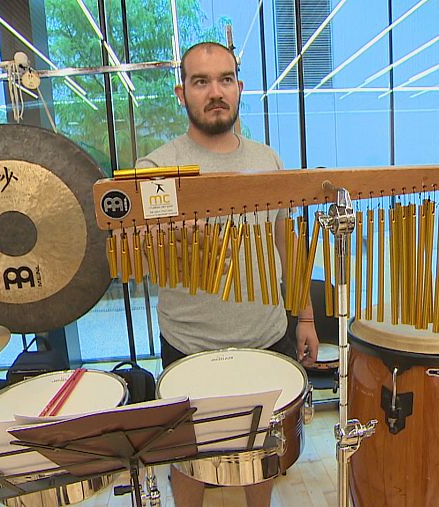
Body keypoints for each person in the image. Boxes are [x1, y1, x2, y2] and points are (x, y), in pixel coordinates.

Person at [135, 41, 320, 507]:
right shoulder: (155, 169)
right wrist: (172, 237)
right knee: (190, 461)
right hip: (190, 342)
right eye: (201, 82)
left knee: (261, 454)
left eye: (224, 80)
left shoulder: (268, 161)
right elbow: (138, 257)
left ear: (239, 87)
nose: (214, 92)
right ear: (182, 93)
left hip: (266, 335)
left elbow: (287, 244)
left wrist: (306, 319)